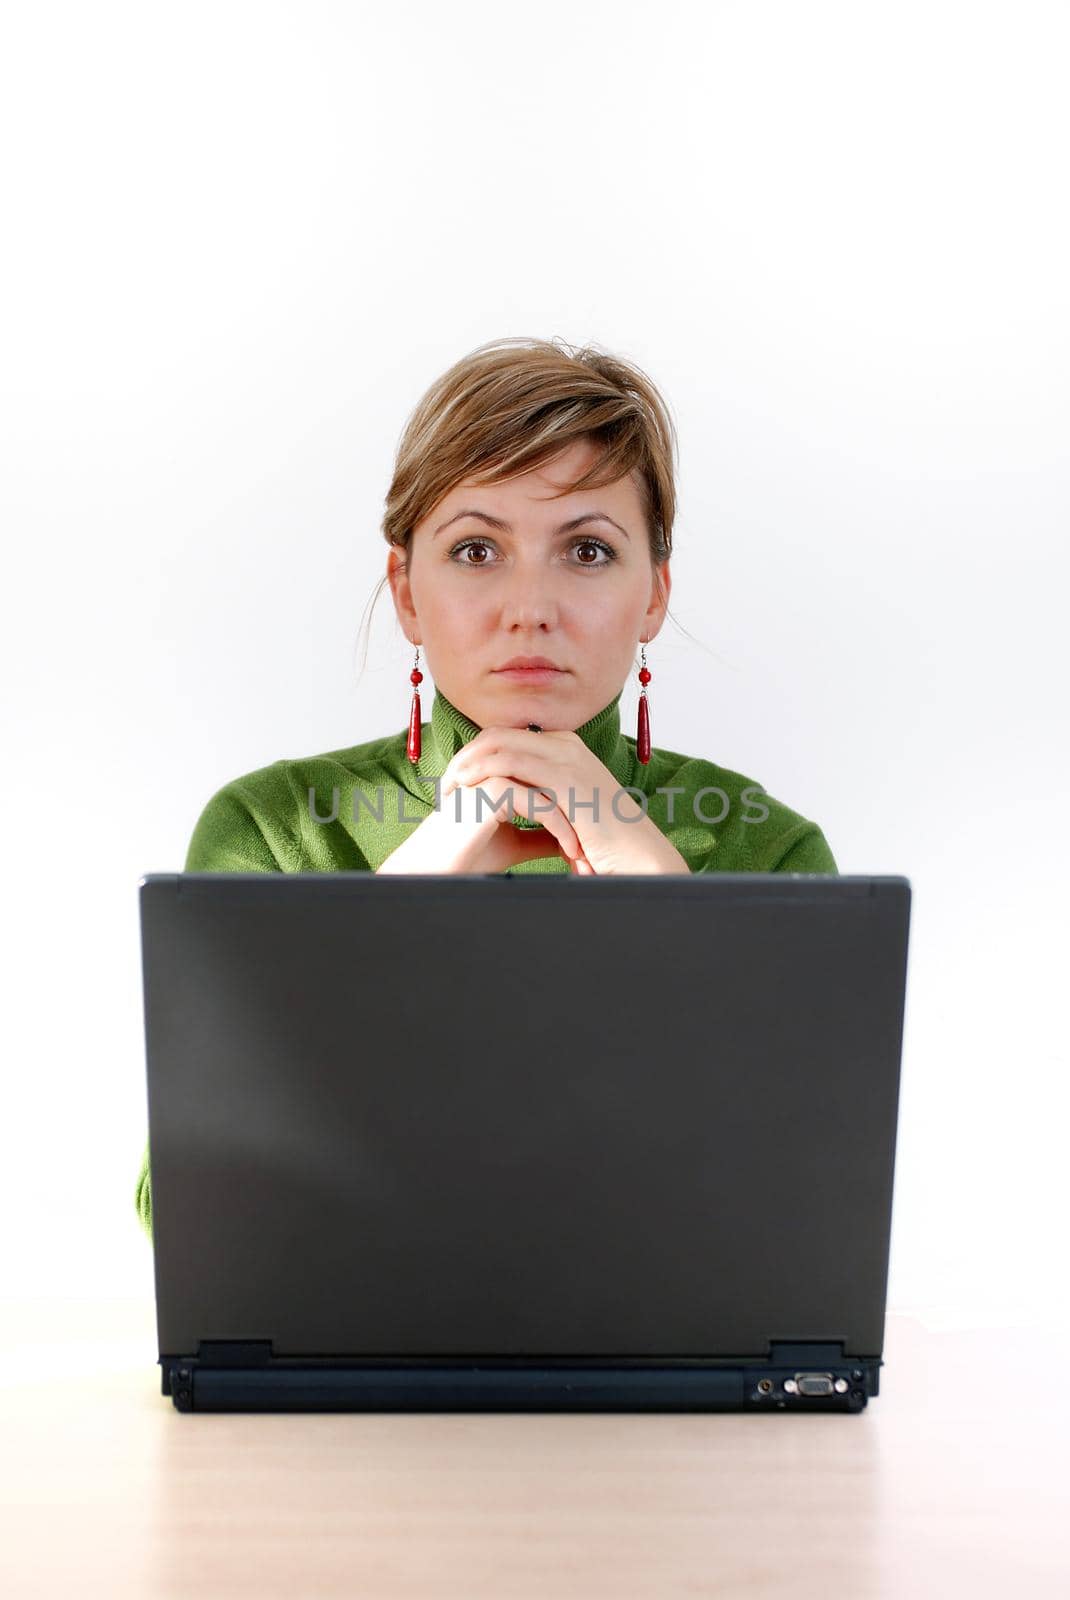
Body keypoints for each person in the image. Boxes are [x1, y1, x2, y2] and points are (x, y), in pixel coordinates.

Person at [134, 335, 837, 1243]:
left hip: (660, 1376)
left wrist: (668, 902)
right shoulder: (268, 833)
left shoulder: (768, 853)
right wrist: (415, 886)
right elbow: (188, 1213)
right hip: (350, 1361)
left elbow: (805, 1212)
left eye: (586, 551)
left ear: (654, 594)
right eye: (475, 550)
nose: (530, 606)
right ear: (408, 592)